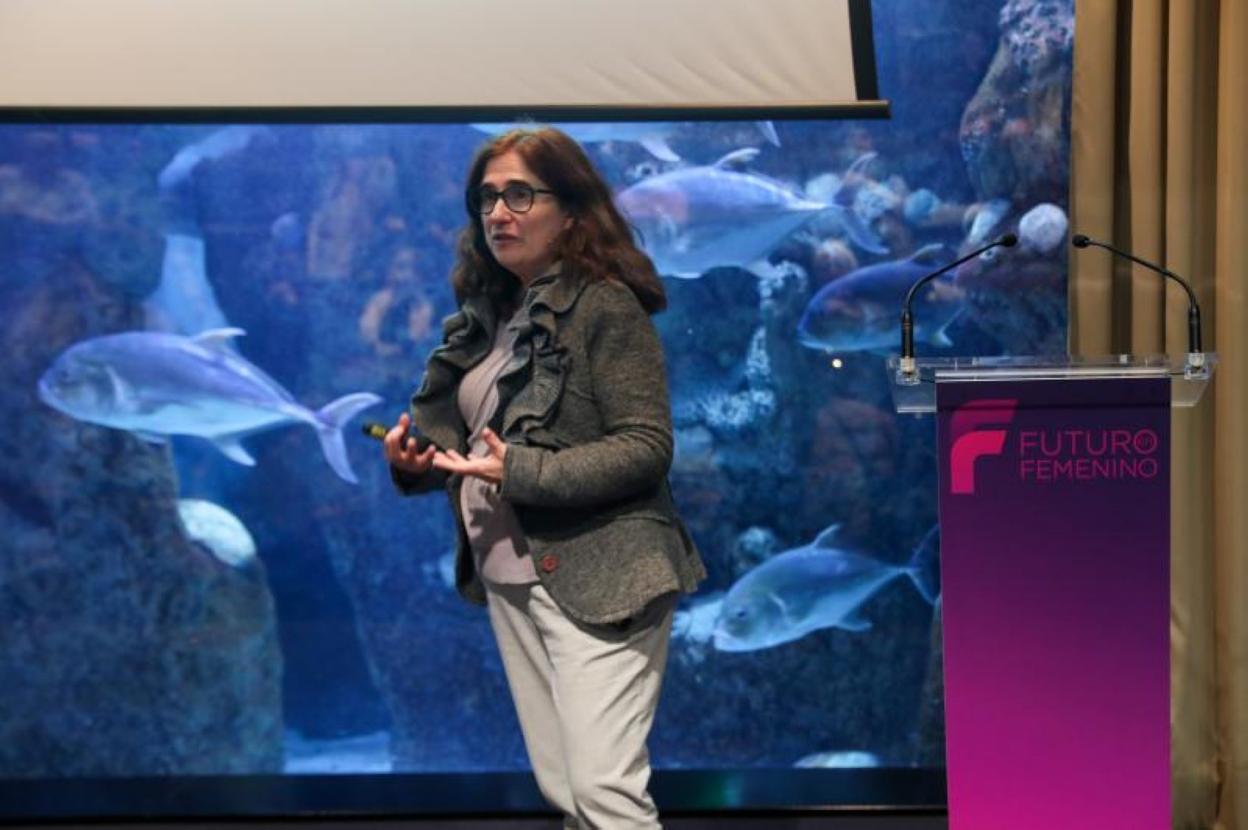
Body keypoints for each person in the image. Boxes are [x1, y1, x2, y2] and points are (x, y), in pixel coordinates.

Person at [381, 126, 706, 830]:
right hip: (510, 577)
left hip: (602, 576)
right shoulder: (491, 316)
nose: (498, 213)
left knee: (603, 791)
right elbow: (467, 438)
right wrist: (417, 463)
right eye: (487, 198)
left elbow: (647, 446)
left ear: (571, 211)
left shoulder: (604, 306)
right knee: (567, 791)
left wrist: (521, 469)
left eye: (520, 195)